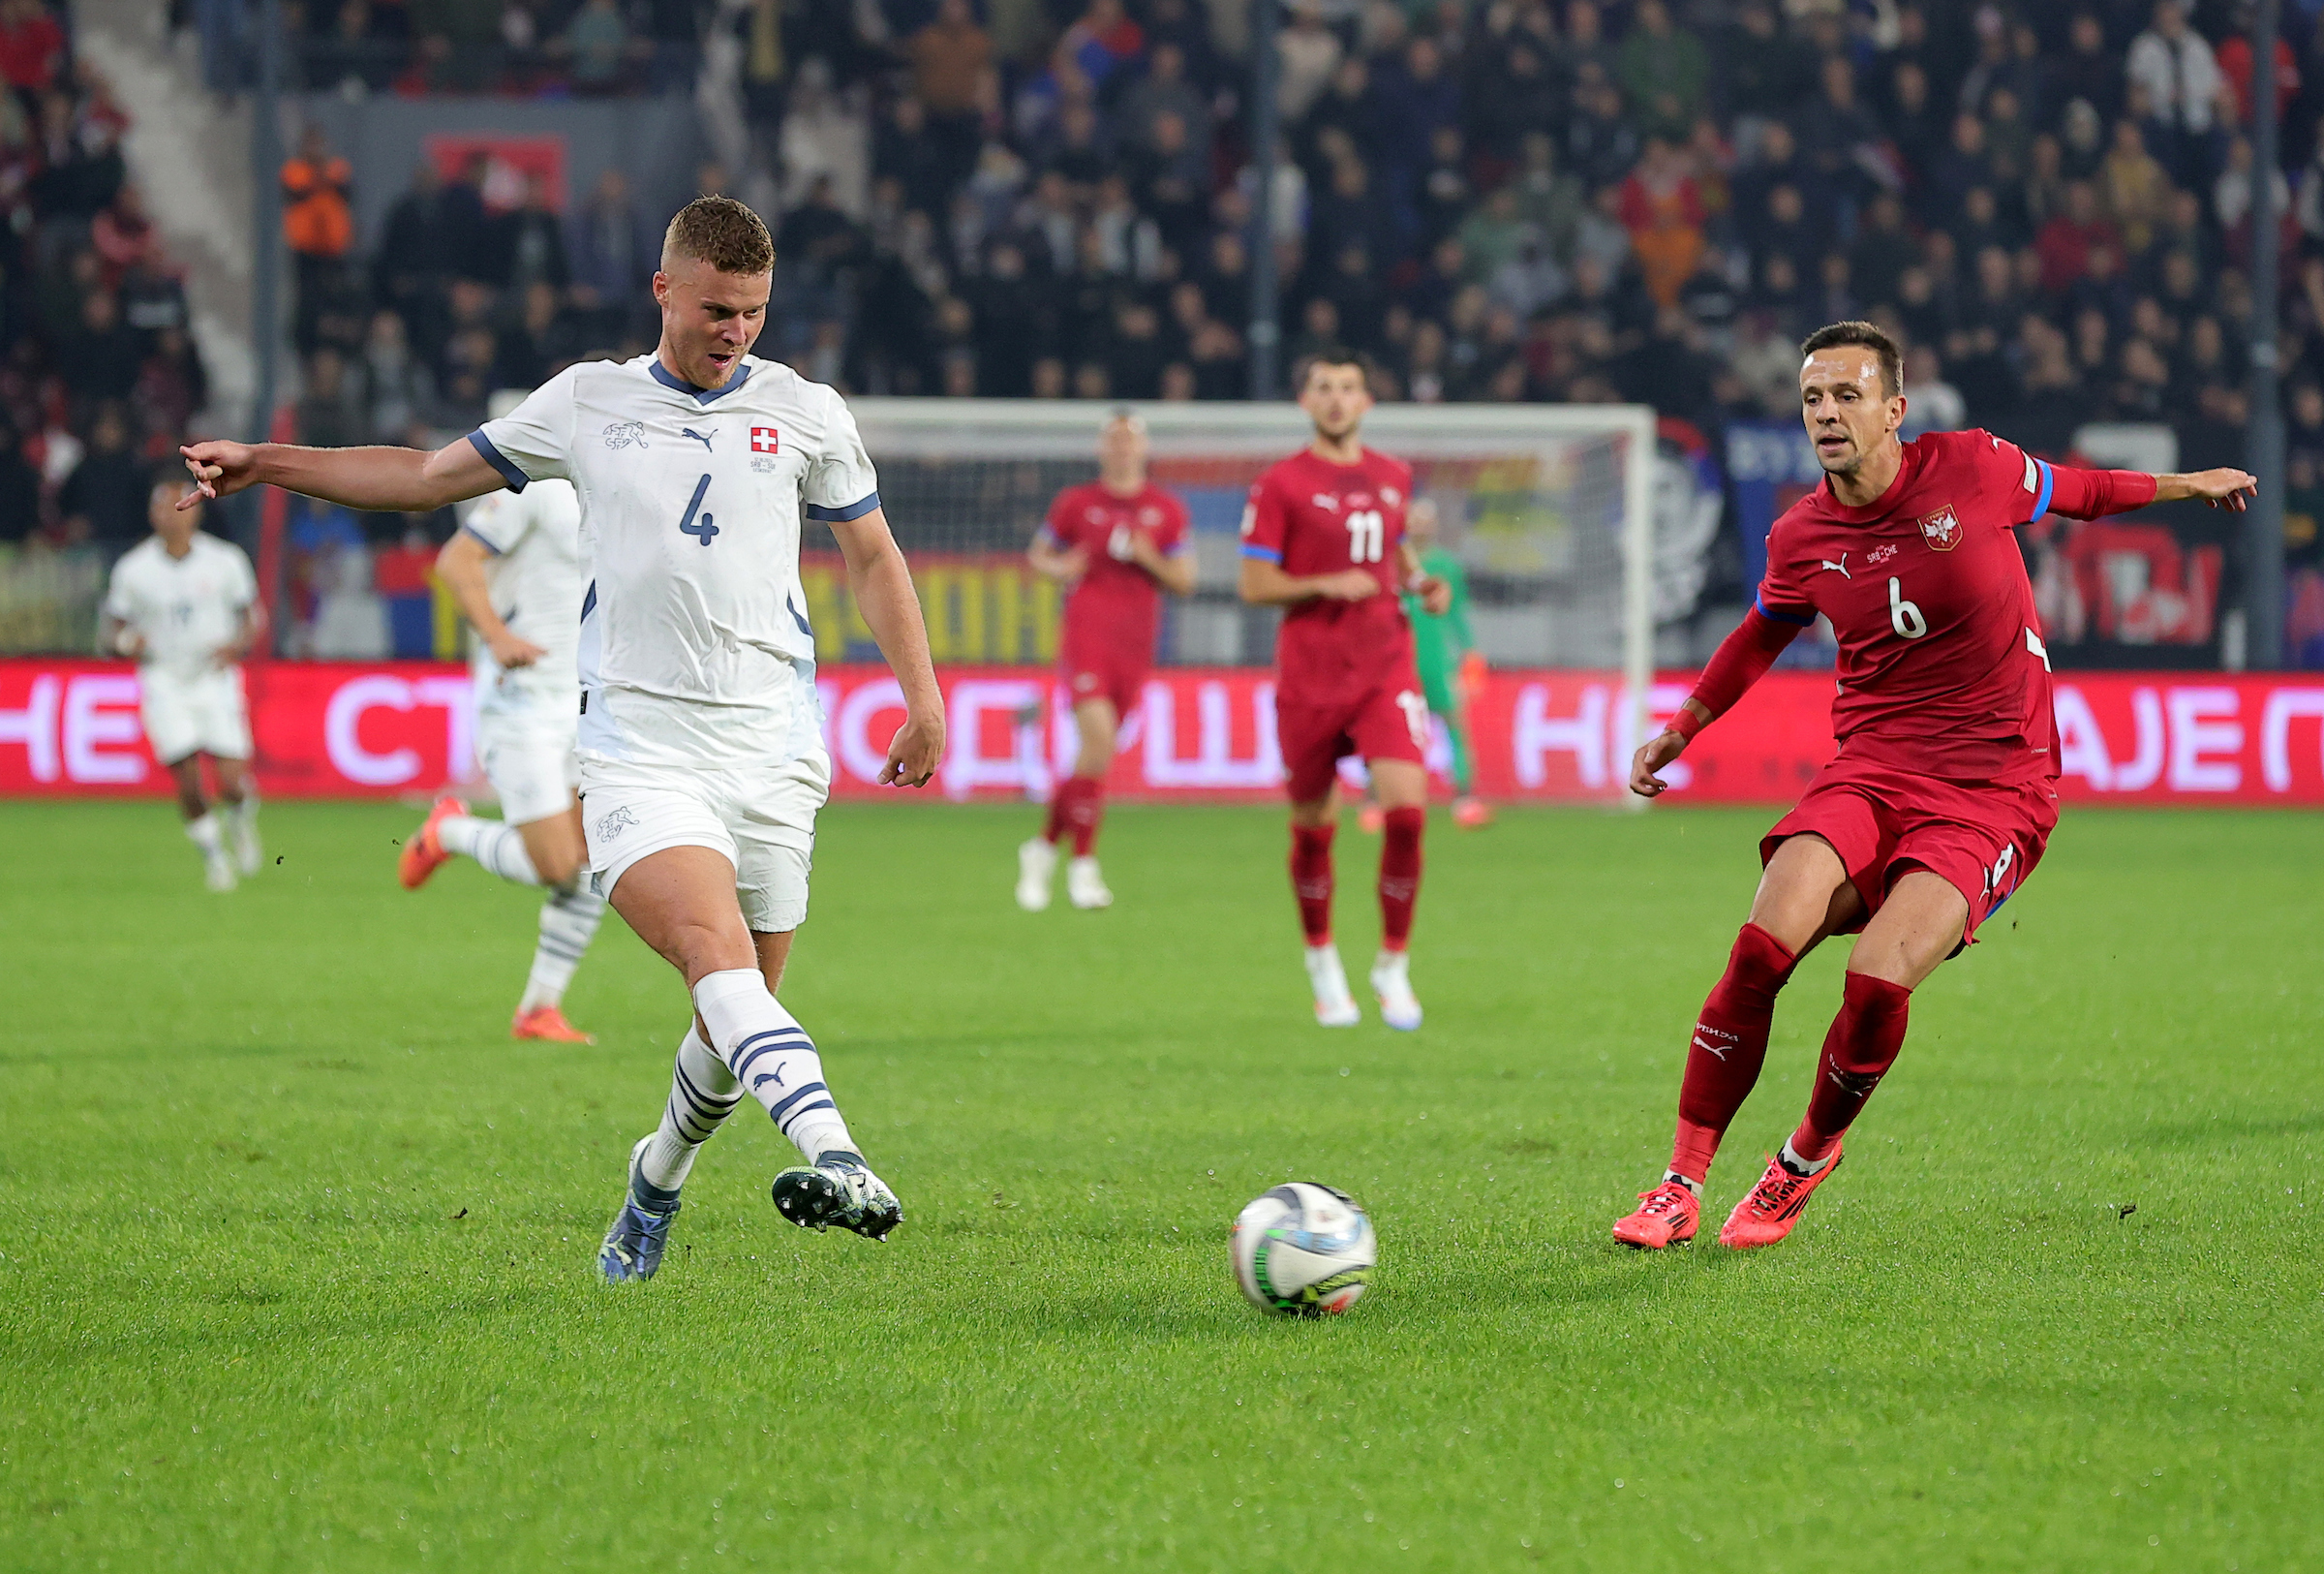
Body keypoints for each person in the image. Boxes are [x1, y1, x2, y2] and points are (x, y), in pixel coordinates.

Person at [180, 197, 945, 1281]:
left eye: (757, 313)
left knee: (739, 1017)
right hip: (640, 743)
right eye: (719, 309)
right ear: (664, 289)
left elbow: (872, 556)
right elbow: (422, 478)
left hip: (775, 746)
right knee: (713, 958)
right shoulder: (589, 402)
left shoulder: (808, 411)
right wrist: (269, 461)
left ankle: (654, 1181)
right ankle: (843, 1155)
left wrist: (923, 696)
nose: (737, 332)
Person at [1614, 321, 2257, 1251]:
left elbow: (2078, 491)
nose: (1826, 413)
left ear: (1894, 409)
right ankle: (1679, 1184)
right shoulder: (1801, 534)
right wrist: (1680, 728)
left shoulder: (1973, 468)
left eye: (1846, 395)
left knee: (1876, 976)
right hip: (1871, 769)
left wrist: (2186, 485)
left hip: (1997, 785)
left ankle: (1801, 1161)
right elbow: (1762, 632)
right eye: (1811, 398)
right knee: (1760, 949)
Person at [1238, 350, 1451, 1030]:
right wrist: (1322, 583)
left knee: (1408, 812)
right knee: (1313, 826)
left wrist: (1420, 582)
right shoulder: (1280, 484)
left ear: (1366, 401)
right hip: (1310, 674)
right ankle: (1322, 956)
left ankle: (1392, 962)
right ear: (1305, 401)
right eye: (1323, 387)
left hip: (1385, 664)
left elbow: (1395, 554)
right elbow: (1253, 584)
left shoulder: (1392, 476)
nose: (1336, 399)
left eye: (1349, 387)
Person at [398, 464, 605, 1046]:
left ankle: (539, 1010)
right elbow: (455, 562)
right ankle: (451, 833)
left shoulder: (622, 483)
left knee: (593, 861)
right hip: (524, 700)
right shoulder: (535, 486)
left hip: (592, 701)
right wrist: (495, 635)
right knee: (557, 866)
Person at [1018, 410, 1194, 911]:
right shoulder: (1078, 503)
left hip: (1135, 645)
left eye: (1129, 440)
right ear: (1102, 448)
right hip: (1087, 637)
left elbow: (1184, 580)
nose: (1121, 448)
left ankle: (1043, 847)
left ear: (1143, 448)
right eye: (1113, 440)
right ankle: (1084, 868)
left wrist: (1147, 557)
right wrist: (1061, 568)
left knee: (1092, 758)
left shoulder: (1165, 509)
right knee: (1096, 743)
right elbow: (1038, 555)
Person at [102, 478, 266, 892]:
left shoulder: (225, 560)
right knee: (188, 779)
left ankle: (241, 821)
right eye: (162, 508)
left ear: (196, 511)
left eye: (180, 507)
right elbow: (113, 629)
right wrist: (125, 643)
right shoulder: (133, 569)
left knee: (230, 780)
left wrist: (236, 646)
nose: (171, 516)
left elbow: (251, 617)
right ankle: (214, 857)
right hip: (164, 679)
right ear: (152, 515)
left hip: (213, 676)